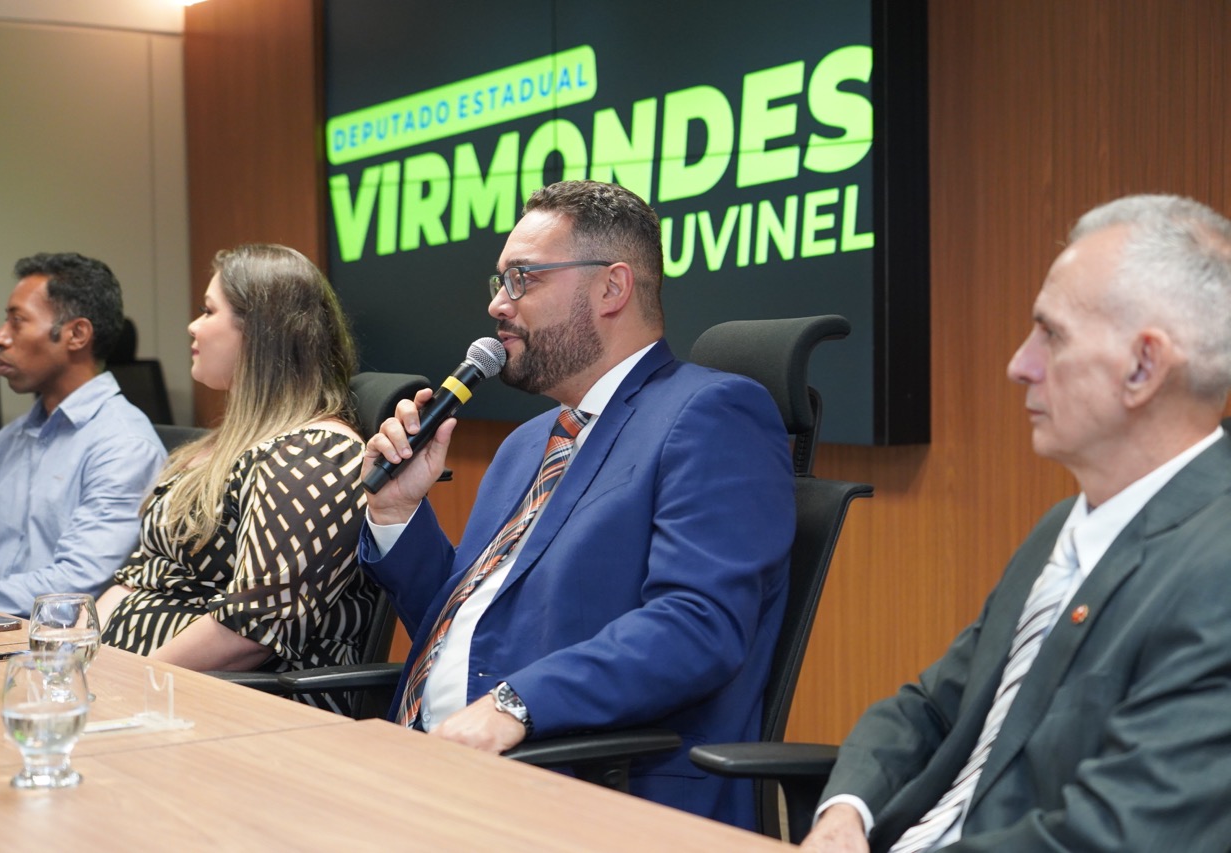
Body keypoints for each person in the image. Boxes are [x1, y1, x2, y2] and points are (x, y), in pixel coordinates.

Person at [360, 180, 795, 827]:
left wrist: (514, 704)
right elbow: (468, 629)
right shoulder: (527, 443)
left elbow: (697, 624)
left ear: (612, 288)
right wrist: (397, 513)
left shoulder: (710, 414)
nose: (498, 304)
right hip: (437, 771)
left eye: (523, 279)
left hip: (586, 795)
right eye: (500, 281)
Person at [804, 194, 1231, 852]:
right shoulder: (1065, 525)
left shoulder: (1216, 568)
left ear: (1144, 366)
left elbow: (1113, 837)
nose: (1019, 364)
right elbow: (932, 706)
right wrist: (845, 813)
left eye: (1051, 335)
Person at [98, 244, 380, 715]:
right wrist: (71, 654)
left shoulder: (314, 453)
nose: (193, 326)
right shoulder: (221, 447)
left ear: (260, 332)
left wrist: (118, 683)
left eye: (209, 311)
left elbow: (249, 632)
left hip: (240, 711)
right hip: (143, 694)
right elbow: (136, 580)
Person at [0, 253, 166, 616]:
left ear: (76, 334)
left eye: (17, 321)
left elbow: (73, 587)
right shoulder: (4, 442)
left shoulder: (125, 447)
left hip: (61, 646)